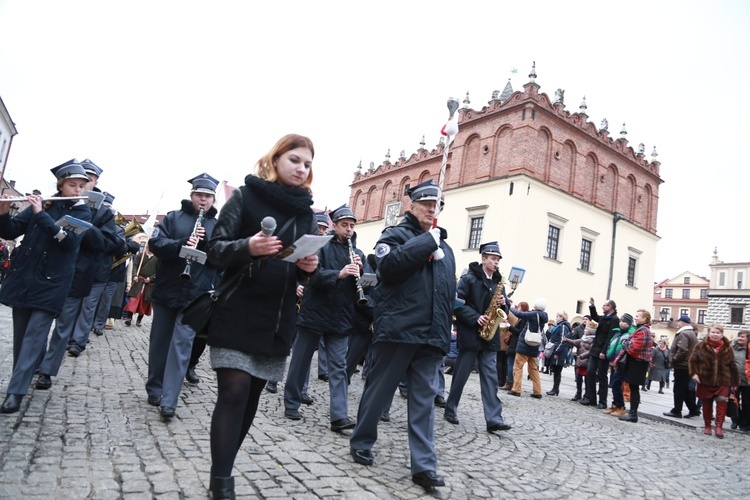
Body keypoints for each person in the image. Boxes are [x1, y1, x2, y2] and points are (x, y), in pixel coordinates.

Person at [204, 134, 319, 499]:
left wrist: (308, 267)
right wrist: (248, 247)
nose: (302, 168)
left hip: (277, 317)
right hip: (236, 309)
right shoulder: (245, 196)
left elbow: (301, 268)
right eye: (295, 160)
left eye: (307, 163)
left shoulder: (307, 213)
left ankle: (225, 464)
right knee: (234, 391)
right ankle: (222, 481)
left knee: (252, 396)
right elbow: (215, 249)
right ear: (275, 159)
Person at [350, 179, 456, 491]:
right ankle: (362, 439)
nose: (431, 210)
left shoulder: (445, 248)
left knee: (423, 402)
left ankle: (424, 466)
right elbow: (389, 267)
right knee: (379, 390)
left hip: (430, 337)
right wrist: (427, 243)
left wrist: (443, 331)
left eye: (436, 206)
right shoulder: (395, 235)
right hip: (399, 330)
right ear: (413, 205)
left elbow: (445, 291)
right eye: (426, 204)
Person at [0, 160, 91, 413]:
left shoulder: (81, 213)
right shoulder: (45, 203)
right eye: (72, 185)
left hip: (52, 283)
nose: (76, 189)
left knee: (34, 336)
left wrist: (40, 215)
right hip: (24, 278)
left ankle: (15, 391)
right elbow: (11, 231)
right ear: (61, 186)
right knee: (21, 338)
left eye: (80, 185)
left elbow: (67, 242)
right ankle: (23, 378)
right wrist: (5, 212)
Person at [36, 160, 118, 388]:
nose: (85, 184)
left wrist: (86, 225)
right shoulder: (56, 202)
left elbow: (108, 244)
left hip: (79, 271)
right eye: (80, 180)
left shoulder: (103, 212)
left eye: (89, 180)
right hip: (51, 269)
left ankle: (47, 370)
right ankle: (35, 360)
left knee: (63, 325)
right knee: (40, 321)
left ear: (95, 183)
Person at [283, 203, 363, 432]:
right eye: (344, 225)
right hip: (315, 311)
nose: (349, 229)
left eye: (351, 226)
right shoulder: (321, 247)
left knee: (338, 367)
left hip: (341, 315)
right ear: (334, 226)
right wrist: (338, 274)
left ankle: (339, 416)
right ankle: (291, 402)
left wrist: (360, 269)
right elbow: (311, 276)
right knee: (301, 361)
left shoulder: (357, 253)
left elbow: (363, 282)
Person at [147, 173, 219, 420]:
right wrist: (182, 244)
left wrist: (205, 243)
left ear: (213, 199)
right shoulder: (173, 218)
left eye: (208, 196)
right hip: (168, 288)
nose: (203, 200)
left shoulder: (218, 225)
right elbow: (156, 244)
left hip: (196, 294)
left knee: (182, 345)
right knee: (160, 344)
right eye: (200, 195)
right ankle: (155, 387)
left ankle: (170, 399)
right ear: (192, 196)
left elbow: (221, 258)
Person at [444, 241, 511, 432]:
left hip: (490, 337)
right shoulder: (468, 279)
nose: (496, 263)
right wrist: (476, 317)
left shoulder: (499, 282)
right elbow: (456, 303)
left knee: (490, 377)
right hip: (472, 334)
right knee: (462, 375)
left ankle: (494, 418)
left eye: (498, 259)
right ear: (483, 259)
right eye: (493, 259)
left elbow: (506, 309)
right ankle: (451, 408)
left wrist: (504, 303)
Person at [689, 323, 739, 438]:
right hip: (705, 380)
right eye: (713, 332)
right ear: (709, 333)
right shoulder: (700, 346)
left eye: (718, 333)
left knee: (722, 400)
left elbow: (733, 365)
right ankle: (707, 425)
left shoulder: (727, 347)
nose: (715, 335)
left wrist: (735, 382)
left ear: (722, 334)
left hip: (723, 380)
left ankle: (719, 426)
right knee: (706, 402)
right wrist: (694, 374)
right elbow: (692, 361)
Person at [614, 309, 653, 423]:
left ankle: (633, 414)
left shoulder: (643, 331)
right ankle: (632, 413)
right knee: (633, 388)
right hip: (636, 362)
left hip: (638, 363)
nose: (635, 318)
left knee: (634, 389)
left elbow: (634, 348)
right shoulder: (641, 330)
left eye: (637, 316)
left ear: (644, 319)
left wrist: (625, 343)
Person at [582, 298, 619, 409]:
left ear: (610, 307)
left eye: (605, 305)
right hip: (595, 349)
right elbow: (595, 317)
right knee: (590, 372)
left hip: (603, 351)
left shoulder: (614, 319)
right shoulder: (604, 318)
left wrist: (604, 351)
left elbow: (610, 337)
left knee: (602, 376)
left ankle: (602, 401)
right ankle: (591, 398)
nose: (603, 307)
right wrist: (592, 306)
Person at [509, 299, 548, 398]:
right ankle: (537, 391)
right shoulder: (544, 316)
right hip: (534, 346)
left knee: (518, 367)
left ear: (537, 306)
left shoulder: (534, 314)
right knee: (533, 370)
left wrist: (511, 307)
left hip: (524, 345)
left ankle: (516, 389)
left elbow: (520, 314)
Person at [663, 315, 700, 419]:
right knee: (685, 389)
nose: (677, 323)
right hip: (687, 365)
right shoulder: (692, 333)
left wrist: (674, 359)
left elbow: (682, 350)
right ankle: (694, 409)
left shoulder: (683, 333)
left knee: (679, 389)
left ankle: (677, 410)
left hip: (682, 365)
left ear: (682, 322)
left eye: (678, 321)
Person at [602, 313, 634, 416]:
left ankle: (621, 407)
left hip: (623, 363)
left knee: (616, 384)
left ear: (629, 323)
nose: (621, 323)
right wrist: (609, 355)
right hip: (614, 362)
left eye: (624, 322)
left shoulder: (630, 334)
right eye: (621, 321)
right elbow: (612, 345)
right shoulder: (617, 333)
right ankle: (615, 405)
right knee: (614, 384)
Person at [124, 244, 157, 327]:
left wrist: (151, 278)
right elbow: (135, 265)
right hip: (138, 280)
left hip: (149, 284)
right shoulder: (140, 255)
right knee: (133, 300)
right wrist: (134, 275)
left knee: (144, 303)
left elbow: (158, 271)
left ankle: (139, 319)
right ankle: (129, 318)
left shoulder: (157, 258)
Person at [564, 320, 596, 401]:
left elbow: (591, 351)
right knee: (578, 378)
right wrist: (566, 340)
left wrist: (582, 356)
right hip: (580, 362)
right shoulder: (583, 339)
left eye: (586, 329)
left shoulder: (593, 340)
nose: (584, 330)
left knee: (587, 380)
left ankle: (586, 395)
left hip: (587, 362)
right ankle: (578, 393)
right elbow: (575, 342)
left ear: (591, 331)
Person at [501, 301, 529, 391]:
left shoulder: (523, 319)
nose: (518, 308)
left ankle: (510, 383)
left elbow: (518, 332)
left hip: (516, 343)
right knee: (513, 364)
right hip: (515, 343)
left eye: (519, 307)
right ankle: (511, 383)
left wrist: (509, 326)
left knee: (511, 364)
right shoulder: (522, 318)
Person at [545, 311, 571, 396]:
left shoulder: (563, 326)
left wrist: (557, 352)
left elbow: (562, 340)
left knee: (557, 371)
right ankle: (555, 388)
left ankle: (555, 388)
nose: (556, 318)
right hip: (556, 349)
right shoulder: (558, 326)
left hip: (559, 351)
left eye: (558, 316)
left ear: (562, 317)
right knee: (555, 370)